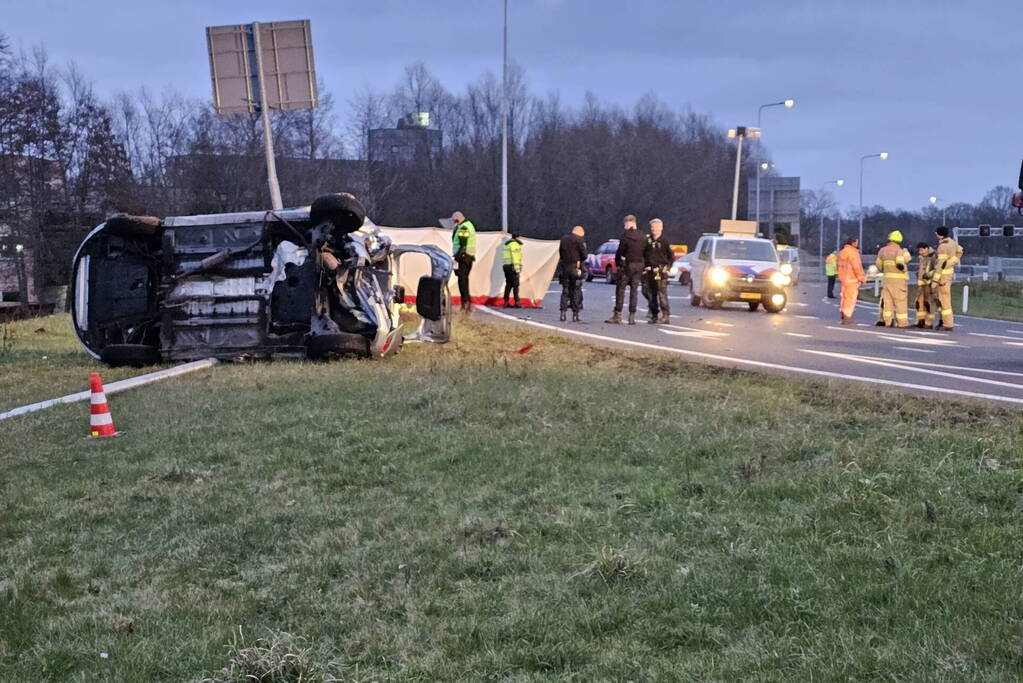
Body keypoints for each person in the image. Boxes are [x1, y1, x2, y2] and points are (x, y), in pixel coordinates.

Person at [605, 214, 645, 325]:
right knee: (634, 291)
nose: (624, 227)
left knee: (620, 290)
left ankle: (617, 314)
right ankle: (632, 316)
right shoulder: (643, 236)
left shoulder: (625, 236)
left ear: (628, 223)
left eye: (625, 225)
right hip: (639, 266)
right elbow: (646, 251)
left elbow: (620, 252)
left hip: (627, 266)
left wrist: (618, 263)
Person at [875, 230, 911, 328]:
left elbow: (878, 264)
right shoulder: (901, 251)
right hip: (899, 280)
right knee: (900, 301)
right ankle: (902, 323)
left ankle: (888, 321)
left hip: (887, 279)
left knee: (887, 301)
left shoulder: (882, 250)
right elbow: (907, 260)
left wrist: (885, 270)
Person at [930, 226, 964, 330]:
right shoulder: (953, 243)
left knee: (944, 301)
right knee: (943, 299)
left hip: (942, 277)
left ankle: (948, 324)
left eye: (937, 234)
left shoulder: (943, 247)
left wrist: (935, 280)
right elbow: (960, 251)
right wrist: (952, 261)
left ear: (940, 235)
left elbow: (940, 265)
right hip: (949, 275)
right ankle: (943, 322)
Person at [643, 218, 674, 324]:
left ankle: (665, 315)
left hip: (661, 271)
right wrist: (645, 266)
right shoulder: (648, 240)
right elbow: (644, 254)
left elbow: (671, 256)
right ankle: (654, 315)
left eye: (656, 227)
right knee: (651, 294)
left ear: (661, 228)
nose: (653, 229)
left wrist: (667, 267)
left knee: (662, 294)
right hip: (650, 270)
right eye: (652, 227)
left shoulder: (664, 241)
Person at [558, 225, 587, 322]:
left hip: (565, 267)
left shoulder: (564, 239)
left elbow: (560, 253)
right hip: (575, 267)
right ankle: (575, 314)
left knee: (565, 290)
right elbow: (584, 255)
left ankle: (563, 313)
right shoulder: (579, 240)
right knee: (576, 290)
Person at [836, 236, 865, 325]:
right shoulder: (853, 253)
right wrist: (862, 278)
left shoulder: (842, 252)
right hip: (852, 279)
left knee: (844, 298)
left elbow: (838, 266)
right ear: (853, 242)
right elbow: (857, 267)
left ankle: (843, 313)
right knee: (850, 299)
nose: (857, 244)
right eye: (856, 242)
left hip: (843, 279)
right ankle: (847, 317)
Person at [450, 211, 476, 312]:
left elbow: (463, 245)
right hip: (468, 257)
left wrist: (457, 257)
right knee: (464, 280)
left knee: (462, 281)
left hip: (463, 257)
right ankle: (466, 302)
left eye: (454, 221)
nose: (454, 223)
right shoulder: (468, 225)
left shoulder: (463, 227)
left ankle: (465, 303)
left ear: (458, 219)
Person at [913, 242, 935, 328]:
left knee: (928, 303)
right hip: (921, 284)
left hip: (929, 284)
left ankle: (928, 322)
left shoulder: (933, 257)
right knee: (919, 302)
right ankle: (920, 321)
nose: (920, 252)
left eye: (921, 250)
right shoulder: (922, 257)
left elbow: (936, 270)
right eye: (919, 250)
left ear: (926, 249)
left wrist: (927, 277)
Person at [502, 232, 523, 307]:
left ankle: (506, 302)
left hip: (506, 266)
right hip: (512, 267)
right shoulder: (514, 244)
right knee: (516, 285)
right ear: (517, 237)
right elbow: (515, 258)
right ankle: (517, 302)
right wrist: (517, 270)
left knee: (508, 284)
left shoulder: (507, 244)